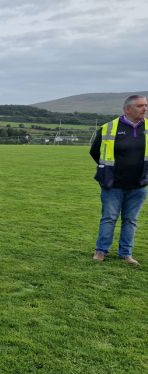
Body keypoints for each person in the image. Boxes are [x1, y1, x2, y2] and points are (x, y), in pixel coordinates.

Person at [90, 94, 148, 266]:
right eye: (140, 106)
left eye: (146, 105)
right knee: (109, 218)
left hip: (139, 184)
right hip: (113, 184)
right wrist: (107, 170)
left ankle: (126, 253)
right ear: (127, 109)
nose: (145, 108)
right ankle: (101, 251)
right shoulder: (109, 128)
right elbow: (95, 151)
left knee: (131, 220)